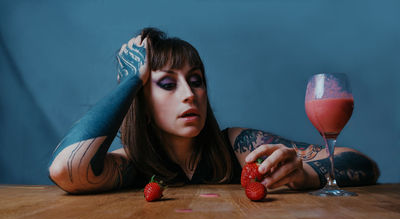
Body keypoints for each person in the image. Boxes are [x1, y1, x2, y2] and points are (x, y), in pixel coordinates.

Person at [48, 27, 380, 194]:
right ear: (143, 106)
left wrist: (307, 174)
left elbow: (359, 162)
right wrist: (131, 81)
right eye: (167, 84)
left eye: (196, 80)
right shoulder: (130, 164)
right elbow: (65, 170)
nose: (190, 94)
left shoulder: (237, 145)